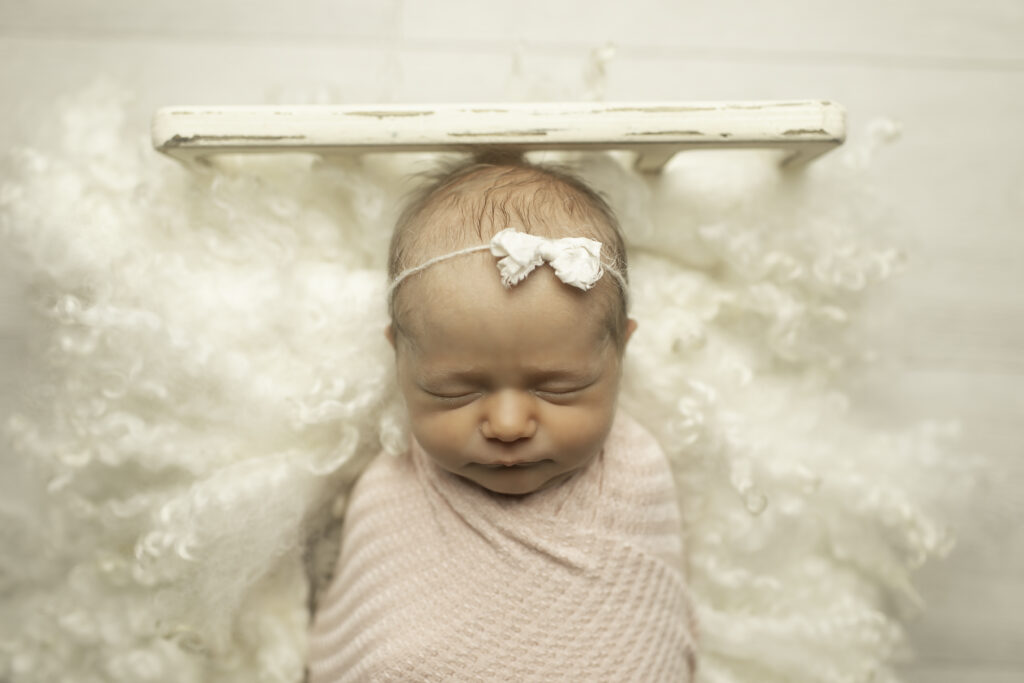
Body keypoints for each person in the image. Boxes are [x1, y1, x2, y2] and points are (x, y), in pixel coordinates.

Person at [307, 153, 697, 681]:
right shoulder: (388, 492)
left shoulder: (636, 475)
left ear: (619, 354)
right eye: (454, 391)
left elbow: (645, 639)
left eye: (561, 388)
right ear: (400, 357)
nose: (509, 425)